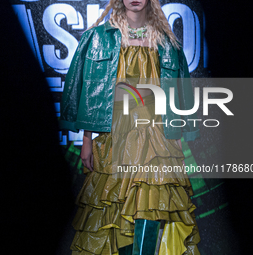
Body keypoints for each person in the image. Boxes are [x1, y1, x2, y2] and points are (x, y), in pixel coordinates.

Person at [60, 0, 201, 254]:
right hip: (114, 133)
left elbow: (180, 94)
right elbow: (90, 90)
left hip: (156, 136)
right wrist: (87, 139)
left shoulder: (167, 42)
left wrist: (180, 141)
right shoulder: (98, 38)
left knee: (150, 202)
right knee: (115, 206)